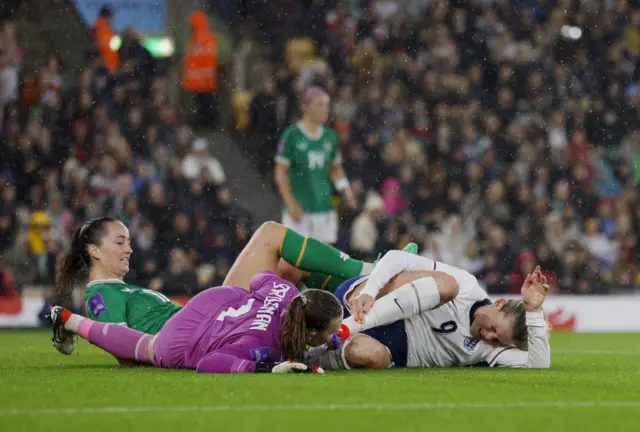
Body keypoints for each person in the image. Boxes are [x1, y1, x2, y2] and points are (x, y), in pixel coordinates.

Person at [51, 217, 408, 354]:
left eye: (128, 240)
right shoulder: (101, 295)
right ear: (94, 250)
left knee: (290, 268)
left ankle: (363, 294)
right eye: (119, 242)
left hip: (212, 320)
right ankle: (373, 271)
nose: (129, 248)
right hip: (205, 329)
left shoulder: (120, 289)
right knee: (271, 235)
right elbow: (117, 340)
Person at [48, 273, 342, 374]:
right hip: (185, 339)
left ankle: (67, 319)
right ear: (312, 331)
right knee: (150, 349)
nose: (333, 338)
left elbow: (258, 279)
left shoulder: (289, 292)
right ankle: (72, 321)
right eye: (329, 333)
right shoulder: (262, 346)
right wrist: (261, 368)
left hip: (214, 301)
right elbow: (209, 363)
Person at [306, 251, 551, 370]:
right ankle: (346, 323)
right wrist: (370, 291)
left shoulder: (490, 352)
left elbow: (539, 365)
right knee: (447, 284)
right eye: (494, 329)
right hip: (363, 301)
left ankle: (305, 358)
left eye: (497, 340)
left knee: (368, 356)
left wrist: (533, 311)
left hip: (386, 348)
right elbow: (396, 258)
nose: (489, 337)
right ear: (499, 304)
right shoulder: (467, 287)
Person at [275, 86, 357, 245]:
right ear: (305, 107)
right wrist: (290, 203)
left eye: (327, 104)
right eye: (319, 104)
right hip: (300, 208)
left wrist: (346, 190)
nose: (325, 109)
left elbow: (335, 169)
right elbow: (280, 173)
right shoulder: (292, 135)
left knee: (325, 262)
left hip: (324, 207)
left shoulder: (330, 137)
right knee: (295, 262)